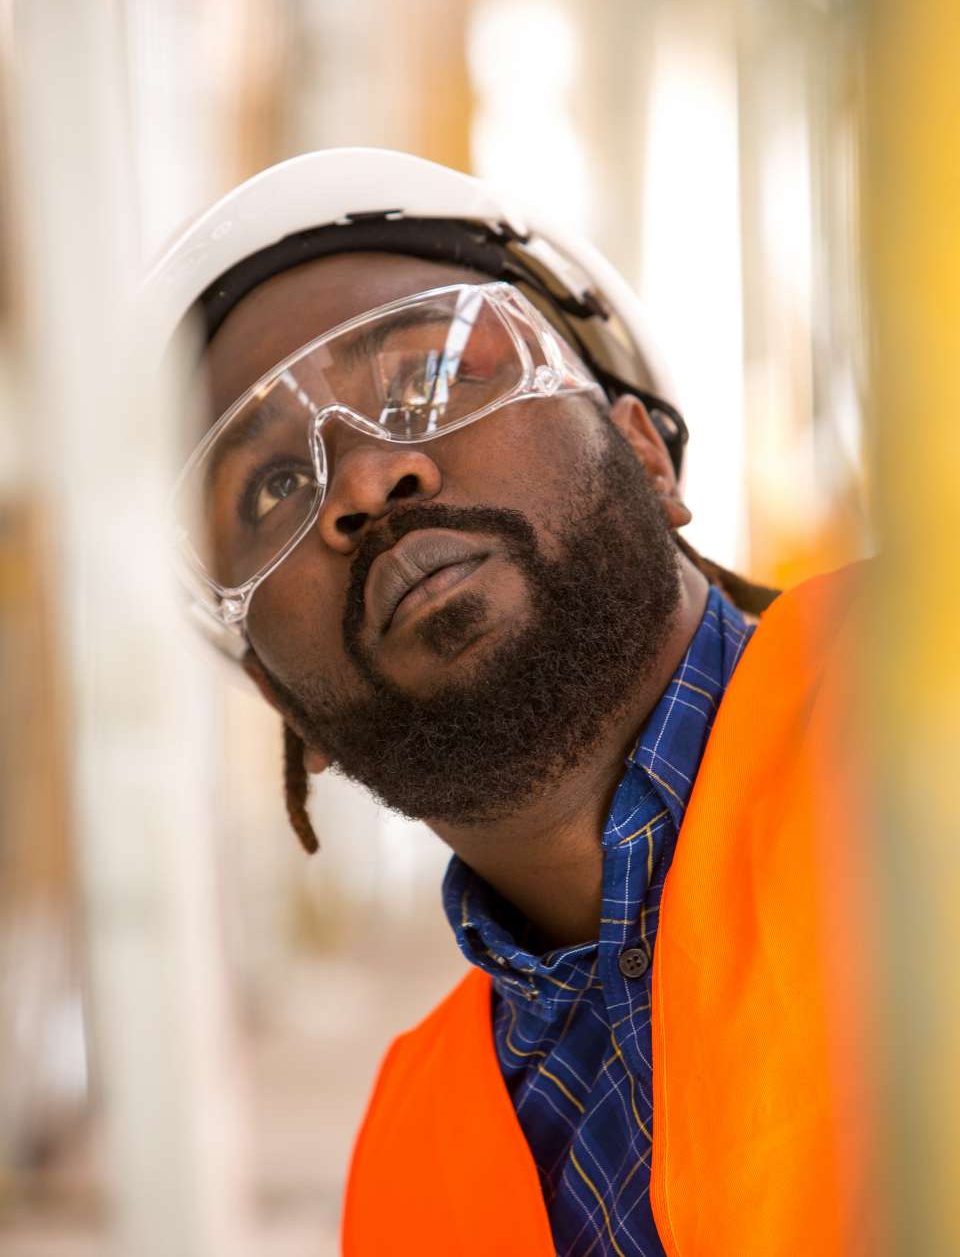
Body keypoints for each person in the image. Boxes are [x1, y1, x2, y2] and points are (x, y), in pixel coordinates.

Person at [147, 149, 870, 1257]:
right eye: (273, 486)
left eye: (429, 375)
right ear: (279, 700)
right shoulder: (405, 1167)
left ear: (643, 452)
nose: (360, 478)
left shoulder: (919, 693)